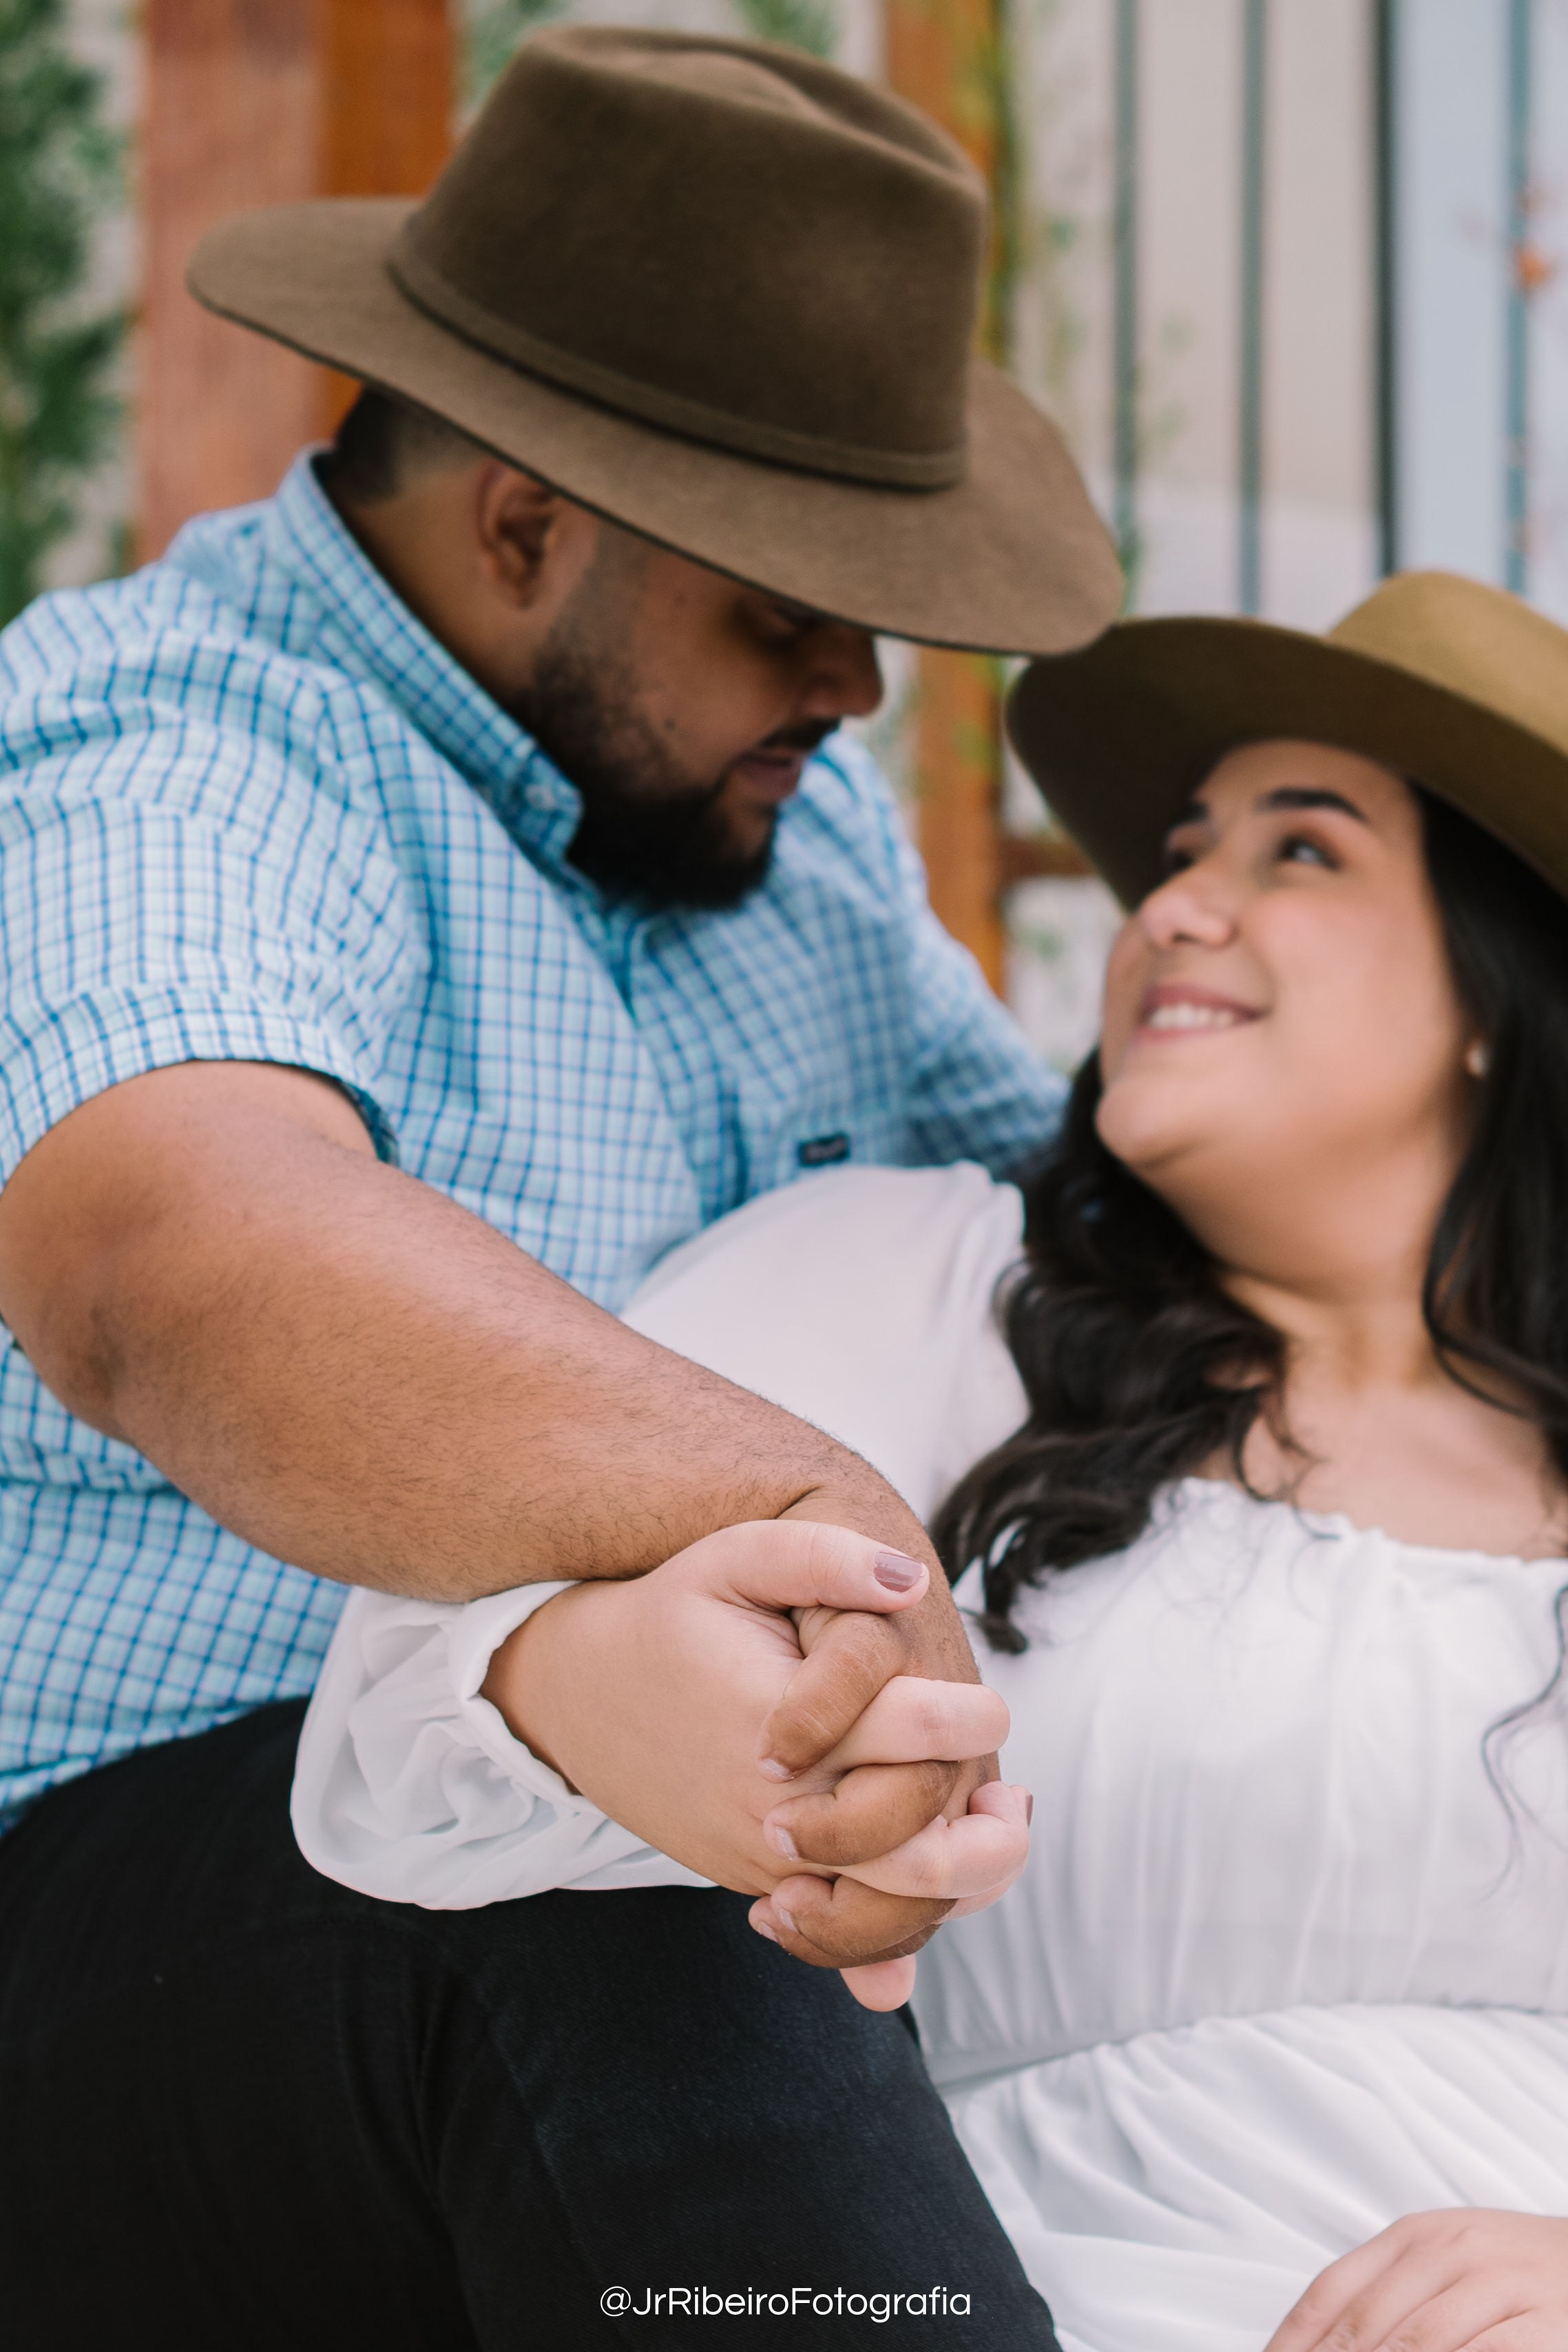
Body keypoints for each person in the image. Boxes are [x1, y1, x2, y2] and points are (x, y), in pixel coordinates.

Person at [0, 25, 1124, 2347]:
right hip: (87, 1905)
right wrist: (809, 1526)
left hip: (569, 1831)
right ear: (523, 524)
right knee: (593, 1886)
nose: (860, 677)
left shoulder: (782, 831)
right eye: (789, 600)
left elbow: (1073, 1236)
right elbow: (166, 1257)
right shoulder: (163, 746)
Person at [305, 569, 1568, 2352]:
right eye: (1179, 854)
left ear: (1504, 989)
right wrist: (606, 1685)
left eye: (1302, 852)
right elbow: (416, 1714)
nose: (1173, 906)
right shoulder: (915, 1285)